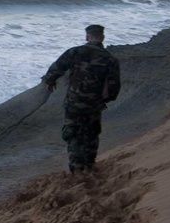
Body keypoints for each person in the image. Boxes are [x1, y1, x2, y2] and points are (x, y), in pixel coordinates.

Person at [42, 24, 121, 174]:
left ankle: (77, 168)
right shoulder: (110, 58)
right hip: (95, 104)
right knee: (91, 134)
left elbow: (57, 68)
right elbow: (114, 84)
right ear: (102, 37)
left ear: (87, 36)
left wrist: (50, 82)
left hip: (74, 102)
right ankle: (89, 165)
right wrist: (107, 99)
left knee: (73, 134)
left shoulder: (75, 52)